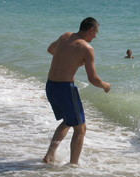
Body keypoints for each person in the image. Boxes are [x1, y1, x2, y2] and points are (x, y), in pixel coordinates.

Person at [43, 17, 112, 165]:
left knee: (68, 121)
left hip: (50, 86)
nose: (96, 36)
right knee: (80, 129)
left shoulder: (65, 36)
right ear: (90, 30)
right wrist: (105, 85)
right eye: (96, 33)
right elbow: (93, 79)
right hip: (65, 88)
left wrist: (68, 59)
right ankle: (73, 166)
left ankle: (49, 155)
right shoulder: (87, 48)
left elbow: (51, 49)